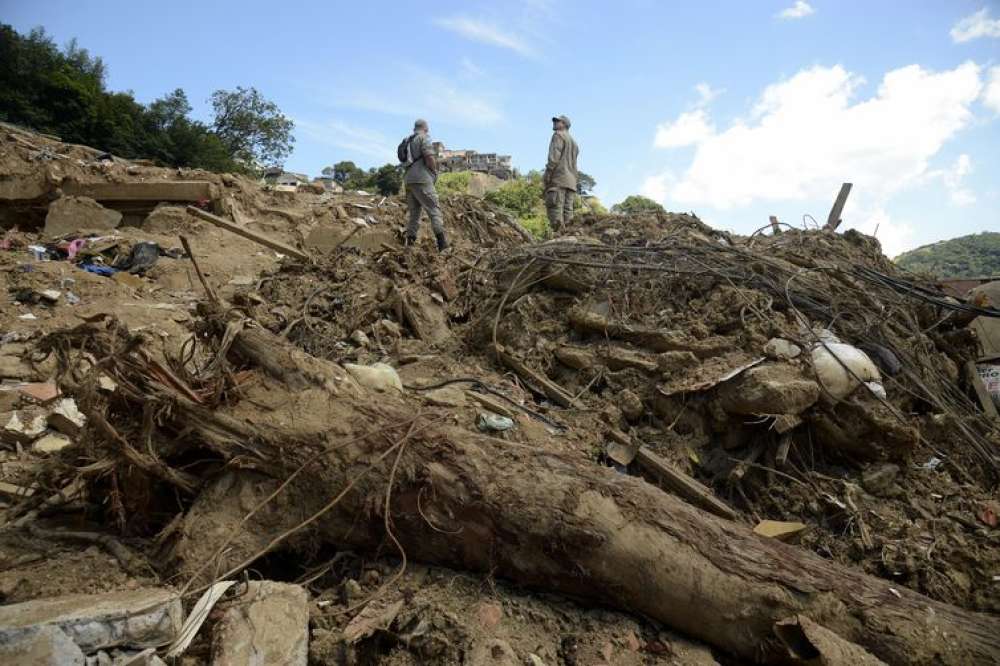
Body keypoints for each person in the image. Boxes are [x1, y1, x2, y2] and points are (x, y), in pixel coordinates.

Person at [401, 119, 448, 252]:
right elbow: (429, 158)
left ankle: (409, 245)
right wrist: (434, 171)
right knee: (434, 209)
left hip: (408, 180)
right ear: (425, 128)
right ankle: (443, 245)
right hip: (422, 179)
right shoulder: (424, 138)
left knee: (414, 214)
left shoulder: (407, 140)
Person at [543, 115, 579, 233]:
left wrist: (547, 175)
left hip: (559, 179)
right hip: (571, 181)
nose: (554, 123)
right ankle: (569, 235)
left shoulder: (558, 135)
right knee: (568, 211)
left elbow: (553, 159)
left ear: (564, 124)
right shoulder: (574, 142)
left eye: (557, 121)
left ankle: (559, 236)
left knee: (555, 209)